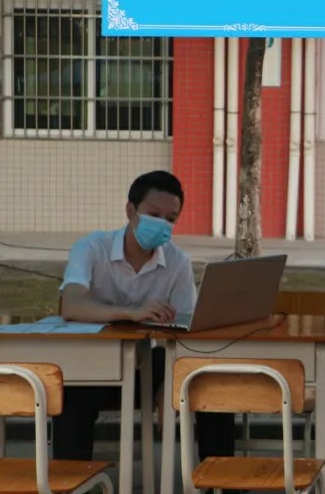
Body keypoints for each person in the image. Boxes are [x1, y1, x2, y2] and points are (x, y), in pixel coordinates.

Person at [54, 171, 236, 470]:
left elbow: (187, 332)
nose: (162, 224)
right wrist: (132, 312)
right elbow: (72, 305)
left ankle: (220, 484)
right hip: (95, 364)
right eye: (154, 215)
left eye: (170, 219)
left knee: (212, 389)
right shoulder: (92, 248)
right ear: (130, 210)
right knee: (71, 395)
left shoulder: (177, 262)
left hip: (154, 364)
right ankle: (71, 483)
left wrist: (171, 383)